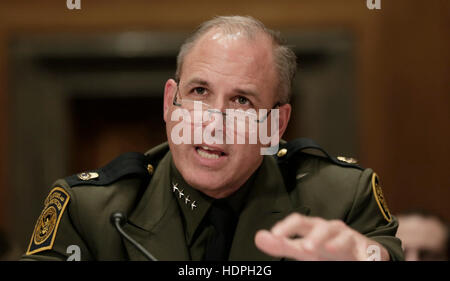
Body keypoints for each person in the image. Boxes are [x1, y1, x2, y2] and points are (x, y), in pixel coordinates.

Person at [21, 16, 403, 261]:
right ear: (171, 102)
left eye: (241, 100)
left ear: (276, 124)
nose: (212, 123)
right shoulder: (90, 210)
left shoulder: (341, 198)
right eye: (200, 92)